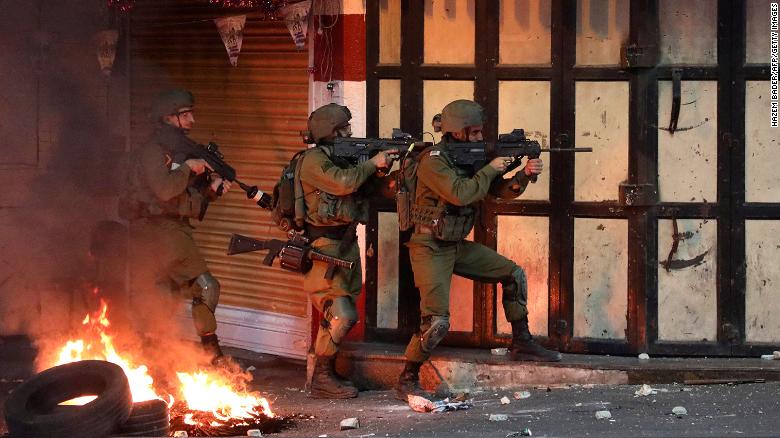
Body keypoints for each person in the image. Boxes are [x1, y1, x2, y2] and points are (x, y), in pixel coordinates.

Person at [394, 99, 561, 401]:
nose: (479, 139)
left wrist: (524, 174)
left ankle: (521, 342)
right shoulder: (433, 160)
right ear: (458, 132)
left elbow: (497, 191)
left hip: (455, 244)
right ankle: (408, 377)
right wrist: (491, 168)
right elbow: (461, 194)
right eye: (473, 133)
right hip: (429, 246)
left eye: (480, 133)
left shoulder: (471, 158)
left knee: (513, 274)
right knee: (436, 322)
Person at [120, 89, 231, 364]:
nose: (191, 120)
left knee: (164, 296)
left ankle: (154, 358)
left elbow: (183, 196)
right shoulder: (152, 152)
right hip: (160, 231)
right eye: (185, 114)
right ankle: (211, 353)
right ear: (168, 118)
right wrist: (188, 168)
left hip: (166, 229)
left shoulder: (175, 150)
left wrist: (212, 190)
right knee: (206, 287)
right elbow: (165, 190)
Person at [298, 103, 396, 399]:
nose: (351, 133)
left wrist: (380, 171)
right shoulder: (314, 160)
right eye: (345, 129)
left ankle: (327, 374)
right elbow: (343, 184)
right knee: (341, 313)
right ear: (331, 132)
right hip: (324, 248)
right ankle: (322, 379)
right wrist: (370, 163)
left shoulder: (339, 158)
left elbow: (363, 190)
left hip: (345, 245)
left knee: (337, 311)